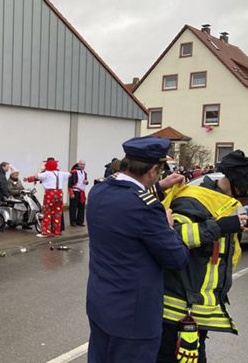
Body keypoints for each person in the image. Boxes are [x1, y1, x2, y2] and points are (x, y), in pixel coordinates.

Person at [86, 136, 190, 363]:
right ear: (153, 170)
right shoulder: (146, 208)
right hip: (133, 318)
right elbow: (177, 258)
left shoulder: (99, 191)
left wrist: (159, 187)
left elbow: (126, 203)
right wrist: (168, 226)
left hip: (101, 304)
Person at [156, 150, 248, 362]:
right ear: (239, 186)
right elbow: (174, 238)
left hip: (197, 310)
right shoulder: (193, 201)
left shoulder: (224, 204)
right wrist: (219, 227)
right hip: (177, 310)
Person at [27, 158, 71, 237]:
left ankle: (46, 232)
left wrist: (27, 179)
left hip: (50, 193)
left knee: (47, 212)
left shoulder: (47, 173)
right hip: (59, 193)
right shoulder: (61, 173)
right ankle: (56, 231)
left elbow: (36, 176)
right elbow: (70, 174)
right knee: (57, 213)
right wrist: (59, 169)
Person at [68, 160, 88, 227]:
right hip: (75, 191)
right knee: (73, 207)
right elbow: (70, 184)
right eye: (81, 164)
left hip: (82, 192)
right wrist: (71, 193)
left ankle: (80, 221)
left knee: (82, 207)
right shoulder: (73, 172)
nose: (82, 166)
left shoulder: (85, 173)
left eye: (84, 164)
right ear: (78, 164)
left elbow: (84, 181)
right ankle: (73, 221)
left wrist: (86, 182)